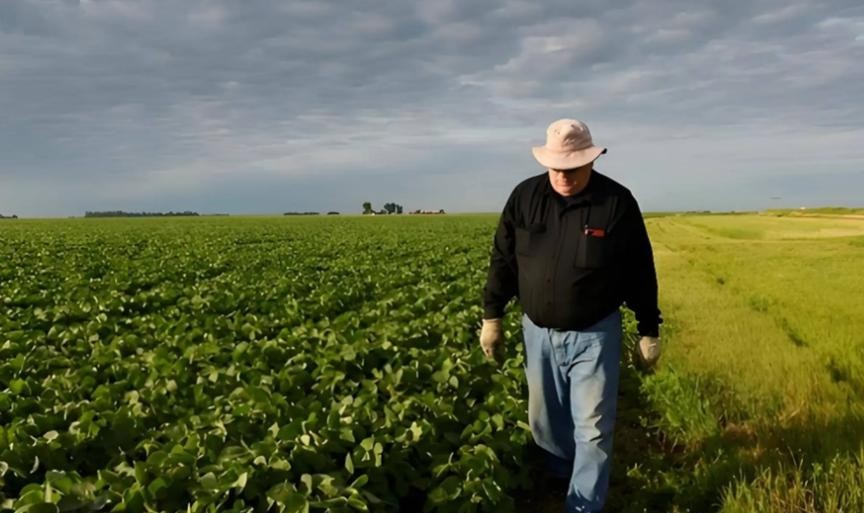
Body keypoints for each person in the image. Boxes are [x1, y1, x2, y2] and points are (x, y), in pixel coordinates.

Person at [480, 119, 662, 512]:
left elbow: (639, 268)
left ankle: (583, 506)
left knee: (593, 429)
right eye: (556, 166)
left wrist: (649, 330)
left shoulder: (616, 203)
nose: (562, 175)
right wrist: (492, 316)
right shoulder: (524, 198)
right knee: (545, 422)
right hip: (538, 333)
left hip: (594, 335)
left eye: (572, 167)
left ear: (590, 161)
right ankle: (559, 478)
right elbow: (503, 259)